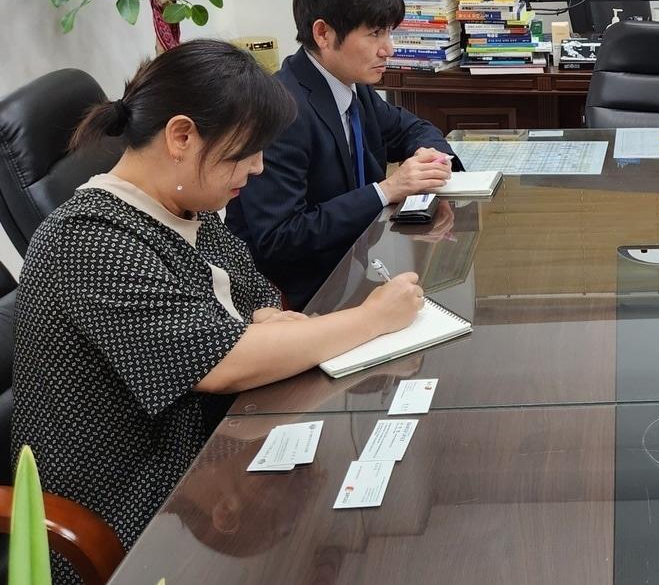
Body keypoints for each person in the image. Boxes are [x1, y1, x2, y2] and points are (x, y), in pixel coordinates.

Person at [9, 40, 424, 578]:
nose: (257, 169)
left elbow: (261, 312)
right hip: (133, 512)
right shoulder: (89, 239)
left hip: (205, 463)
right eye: (245, 152)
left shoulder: (187, 212)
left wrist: (266, 335)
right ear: (181, 136)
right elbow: (223, 360)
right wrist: (371, 319)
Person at [227, 0, 461, 309]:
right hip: (294, 298)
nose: (389, 49)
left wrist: (432, 158)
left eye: (389, 32)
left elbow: (413, 128)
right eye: (374, 34)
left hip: (353, 267)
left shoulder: (351, 85)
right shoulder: (281, 112)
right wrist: (387, 190)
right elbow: (281, 237)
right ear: (323, 33)